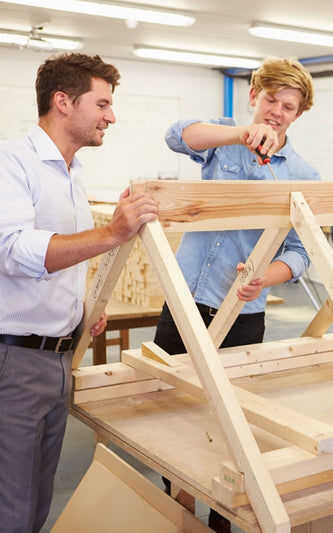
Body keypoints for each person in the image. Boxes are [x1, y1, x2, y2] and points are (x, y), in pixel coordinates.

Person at [152, 56, 318, 532]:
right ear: (253, 97)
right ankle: (178, 511)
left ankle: (221, 518)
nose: (276, 111)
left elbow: (299, 252)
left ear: (298, 114)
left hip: (244, 310)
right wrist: (237, 135)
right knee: (174, 412)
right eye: (270, 100)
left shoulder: (302, 173)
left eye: (288, 106)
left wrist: (266, 277)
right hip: (186, 300)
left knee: (230, 423)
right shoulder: (221, 138)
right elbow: (175, 134)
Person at [0, 52, 158, 532]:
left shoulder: (74, 173)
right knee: (12, 507)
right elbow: (14, 249)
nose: (111, 116)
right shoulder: (12, 162)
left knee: (37, 498)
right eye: (103, 103)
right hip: (17, 361)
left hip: (61, 357)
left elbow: (67, 256)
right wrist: (113, 233)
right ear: (63, 102)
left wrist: (80, 308)